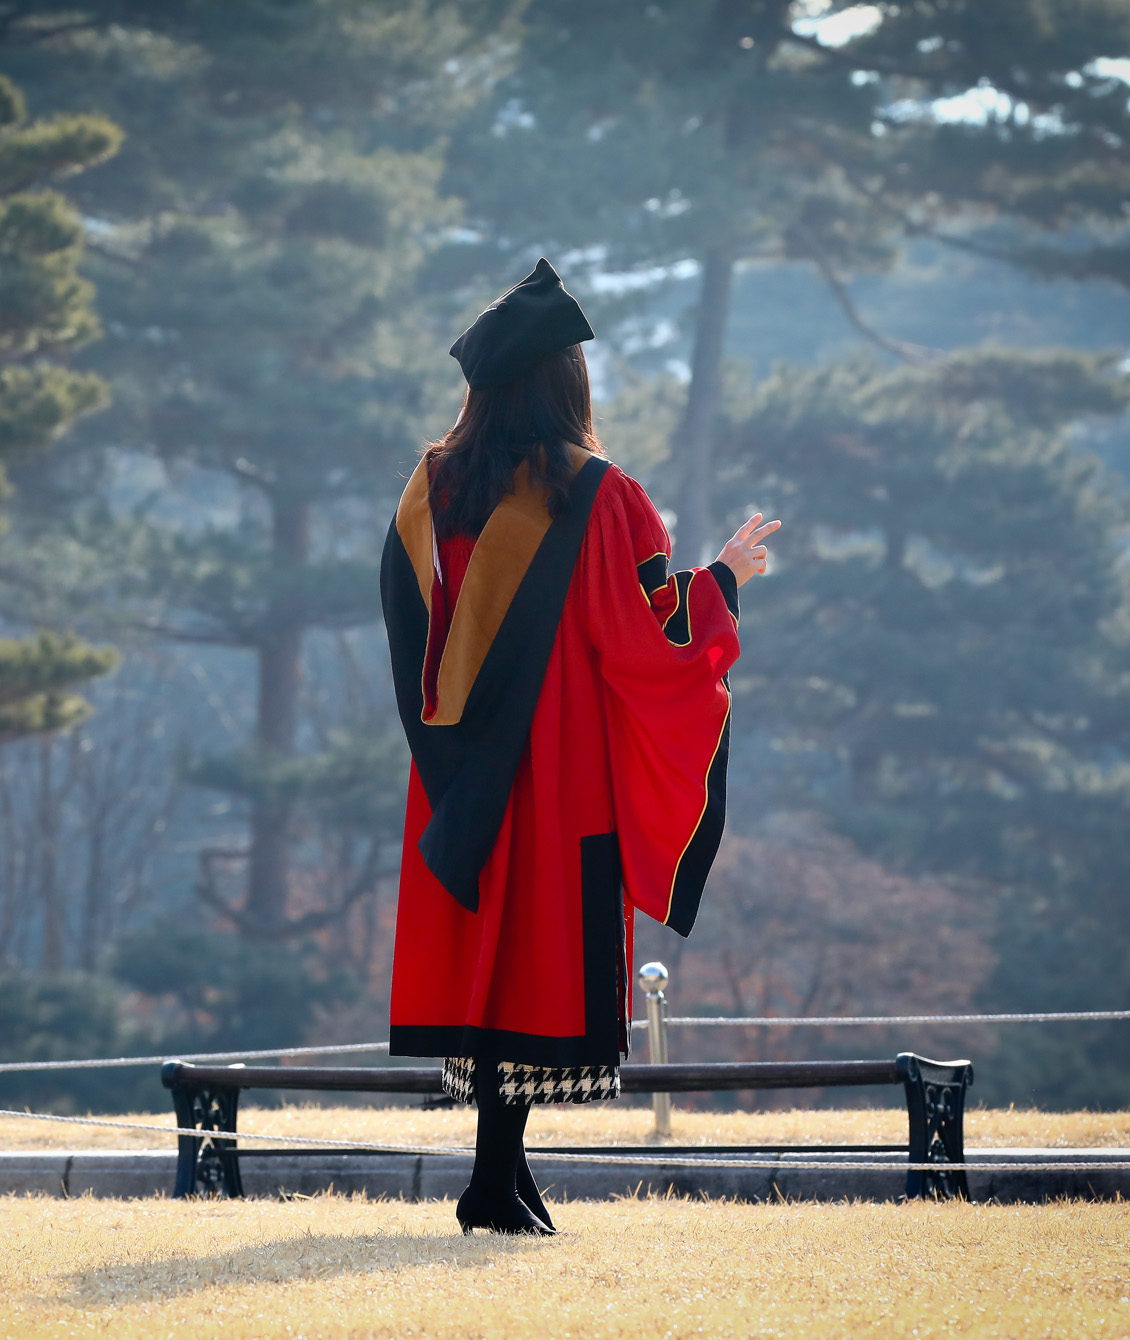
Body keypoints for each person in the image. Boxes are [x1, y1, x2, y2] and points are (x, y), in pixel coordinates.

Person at [379, 258, 778, 1235]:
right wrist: (719, 580)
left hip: (457, 770)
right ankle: (490, 1180)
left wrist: (448, 749)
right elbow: (645, 636)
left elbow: (402, 621)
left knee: (488, 957)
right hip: (554, 774)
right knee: (533, 959)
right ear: (567, 385)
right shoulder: (597, 497)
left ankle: (498, 1176)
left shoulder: (428, 490)